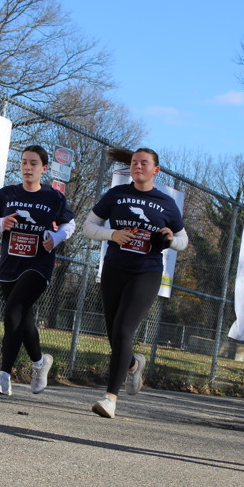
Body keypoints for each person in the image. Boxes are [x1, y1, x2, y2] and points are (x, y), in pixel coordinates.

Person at [82, 147, 187, 418]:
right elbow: (88, 227)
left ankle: (110, 398)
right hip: (114, 269)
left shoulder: (166, 203)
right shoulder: (116, 194)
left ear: (156, 170)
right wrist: (112, 234)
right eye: (134, 162)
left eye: (144, 163)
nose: (138, 166)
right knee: (114, 334)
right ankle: (132, 365)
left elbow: (183, 240)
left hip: (146, 273)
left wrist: (170, 239)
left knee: (124, 329)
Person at [0, 145, 76, 396]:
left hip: (38, 265)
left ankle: (3, 376)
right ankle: (40, 362)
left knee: (13, 310)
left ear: (44, 168)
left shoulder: (53, 197)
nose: (27, 167)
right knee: (24, 320)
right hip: (10, 264)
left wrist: (55, 238)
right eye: (24, 162)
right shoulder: (7, 194)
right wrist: (2, 222)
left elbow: (69, 224)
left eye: (33, 163)